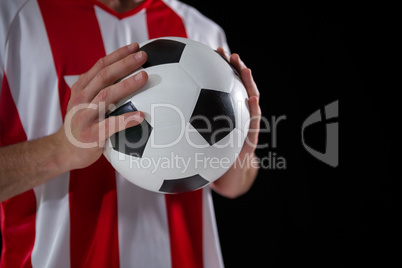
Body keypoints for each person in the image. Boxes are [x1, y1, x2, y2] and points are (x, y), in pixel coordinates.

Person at [0, 0, 261, 267]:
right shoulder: (11, 21)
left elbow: (234, 185)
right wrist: (61, 149)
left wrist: (240, 150)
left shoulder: (203, 32)